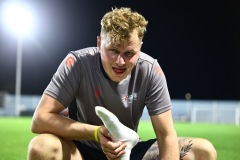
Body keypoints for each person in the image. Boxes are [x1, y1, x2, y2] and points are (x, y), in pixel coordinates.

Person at [27, 7, 217, 160]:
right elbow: (40, 119)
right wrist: (96, 133)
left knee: (203, 151)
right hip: (82, 150)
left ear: (140, 48)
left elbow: (166, 135)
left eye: (129, 53)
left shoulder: (150, 70)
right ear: (99, 43)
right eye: (113, 50)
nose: (120, 62)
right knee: (41, 147)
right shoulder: (77, 63)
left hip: (128, 150)